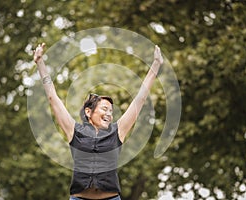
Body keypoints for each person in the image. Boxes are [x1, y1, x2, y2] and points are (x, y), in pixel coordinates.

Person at [33, 43, 163, 200]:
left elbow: (140, 99)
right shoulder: (74, 131)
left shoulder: (118, 131)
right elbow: (52, 97)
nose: (109, 113)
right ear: (88, 112)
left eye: (111, 111)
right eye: (104, 109)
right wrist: (40, 62)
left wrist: (156, 64)